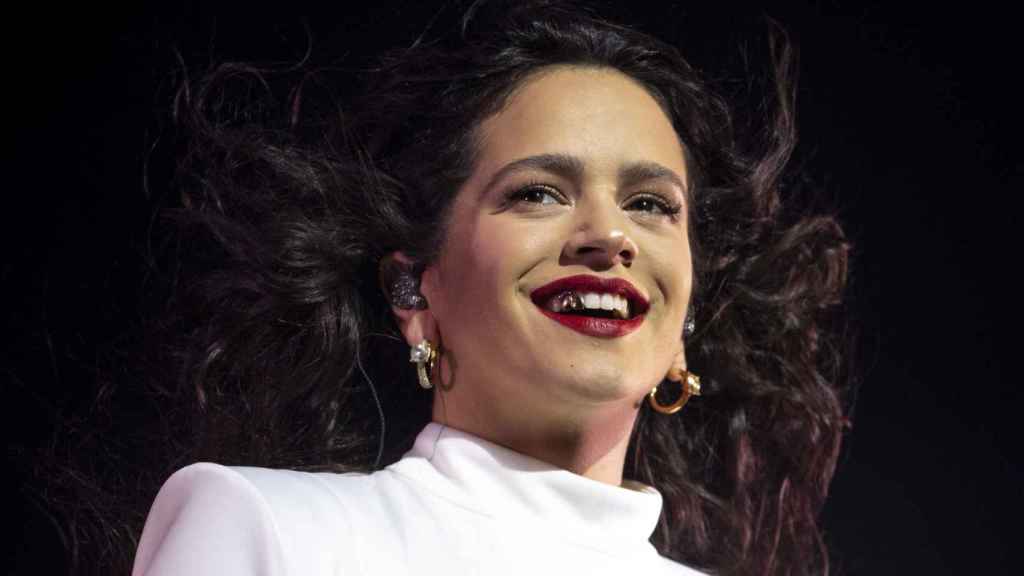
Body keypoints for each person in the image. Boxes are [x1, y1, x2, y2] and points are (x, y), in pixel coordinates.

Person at [126, 1, 851, 575]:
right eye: (538, 193)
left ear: (685, 316)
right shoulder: (271, 533)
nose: (610, 235)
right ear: (413, 293)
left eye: (651, 204)